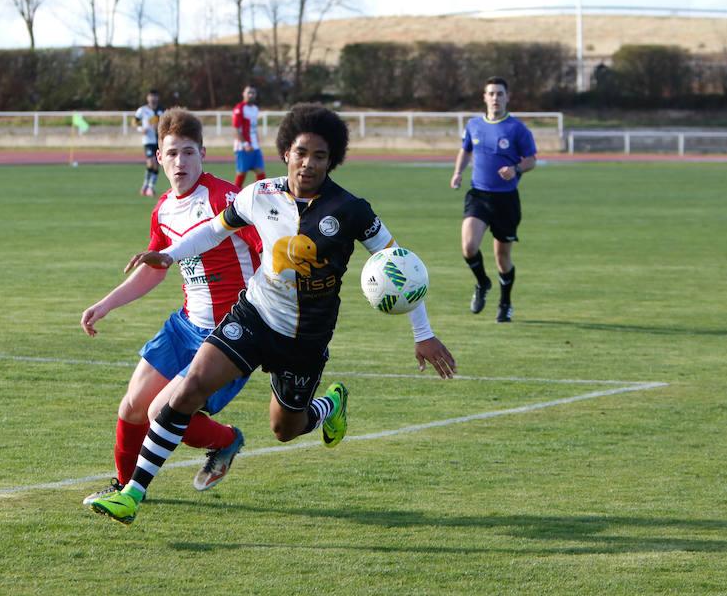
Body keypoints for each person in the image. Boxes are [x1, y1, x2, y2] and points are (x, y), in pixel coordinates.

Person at [90, 103, 457, 526]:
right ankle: (132, 494)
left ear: (331, 160)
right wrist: (168, 254)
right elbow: (213, 230)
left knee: (286, 428)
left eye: (320, 156)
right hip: (253, 317)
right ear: (286, 152)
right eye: (301, 152)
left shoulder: (353, 210)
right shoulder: (258, 194)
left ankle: (329, 405)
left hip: (305, 339)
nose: (309, 163)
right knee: (186, 391)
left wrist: (423, 334)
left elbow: (400, 266)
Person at [81, 107, 262, 504]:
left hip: (229, 334)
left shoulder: (225, 199)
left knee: (162, 414)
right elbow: (155, 268)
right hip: (184, 326)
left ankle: (228, 439)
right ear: (159, 158)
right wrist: (106, 304)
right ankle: (125, 489)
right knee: (132, 406)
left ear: (203, 154)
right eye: (173, 153)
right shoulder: (162, 208)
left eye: (189, 152)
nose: (181, 161)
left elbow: (266, 251)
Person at [450, 76, 537, 323]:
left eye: (500, 93)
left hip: (506, 200)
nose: (495, 98)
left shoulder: (517, 129)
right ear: (484, 97)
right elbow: (465, 149)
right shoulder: (474, 125)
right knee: (469, 247)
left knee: (502, 258)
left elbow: (531, 160)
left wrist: (516, 169)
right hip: (478, 195)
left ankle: (505, 303)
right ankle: (482, 283)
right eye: (491, 93)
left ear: (507, 97)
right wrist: (458, 172)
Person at [231, 84, 266, 189]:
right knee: (241, 174)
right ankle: (234, 199)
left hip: (255, 147)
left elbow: (253, 128)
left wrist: (257, 142)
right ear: (243, 94)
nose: (251, 95)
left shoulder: (255, 109)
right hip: (243, 148)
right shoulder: (239, 109)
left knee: (260, 173)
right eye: (248, 93)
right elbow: (236, 129)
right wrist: (245, 144)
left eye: (253, 93)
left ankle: (263, 196)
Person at [132, 89, 166, 197]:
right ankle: (146, 185)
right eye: (151, 96)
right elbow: (134, 122)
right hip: (148, 140)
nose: (153, 98)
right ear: (148, 97)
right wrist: (140, 129)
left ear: (158, 98)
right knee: (151, 162)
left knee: (157, 164)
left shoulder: (162, 110)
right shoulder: (142, 110)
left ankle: (151, 187)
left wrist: (161, 128)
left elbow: (168, 123)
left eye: (155, 96)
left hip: (159, 140)